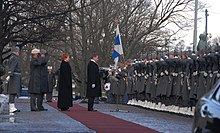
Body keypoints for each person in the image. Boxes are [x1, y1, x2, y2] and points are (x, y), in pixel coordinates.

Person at [7, 46, 21, 113]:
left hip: (13, 75)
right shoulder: (15, 58)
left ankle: (12, 106)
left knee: (12, 92)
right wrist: (10, 74)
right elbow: (13, 67)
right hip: (15, 76)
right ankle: (11, 107)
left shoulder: (11, 57)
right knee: (13, 92)